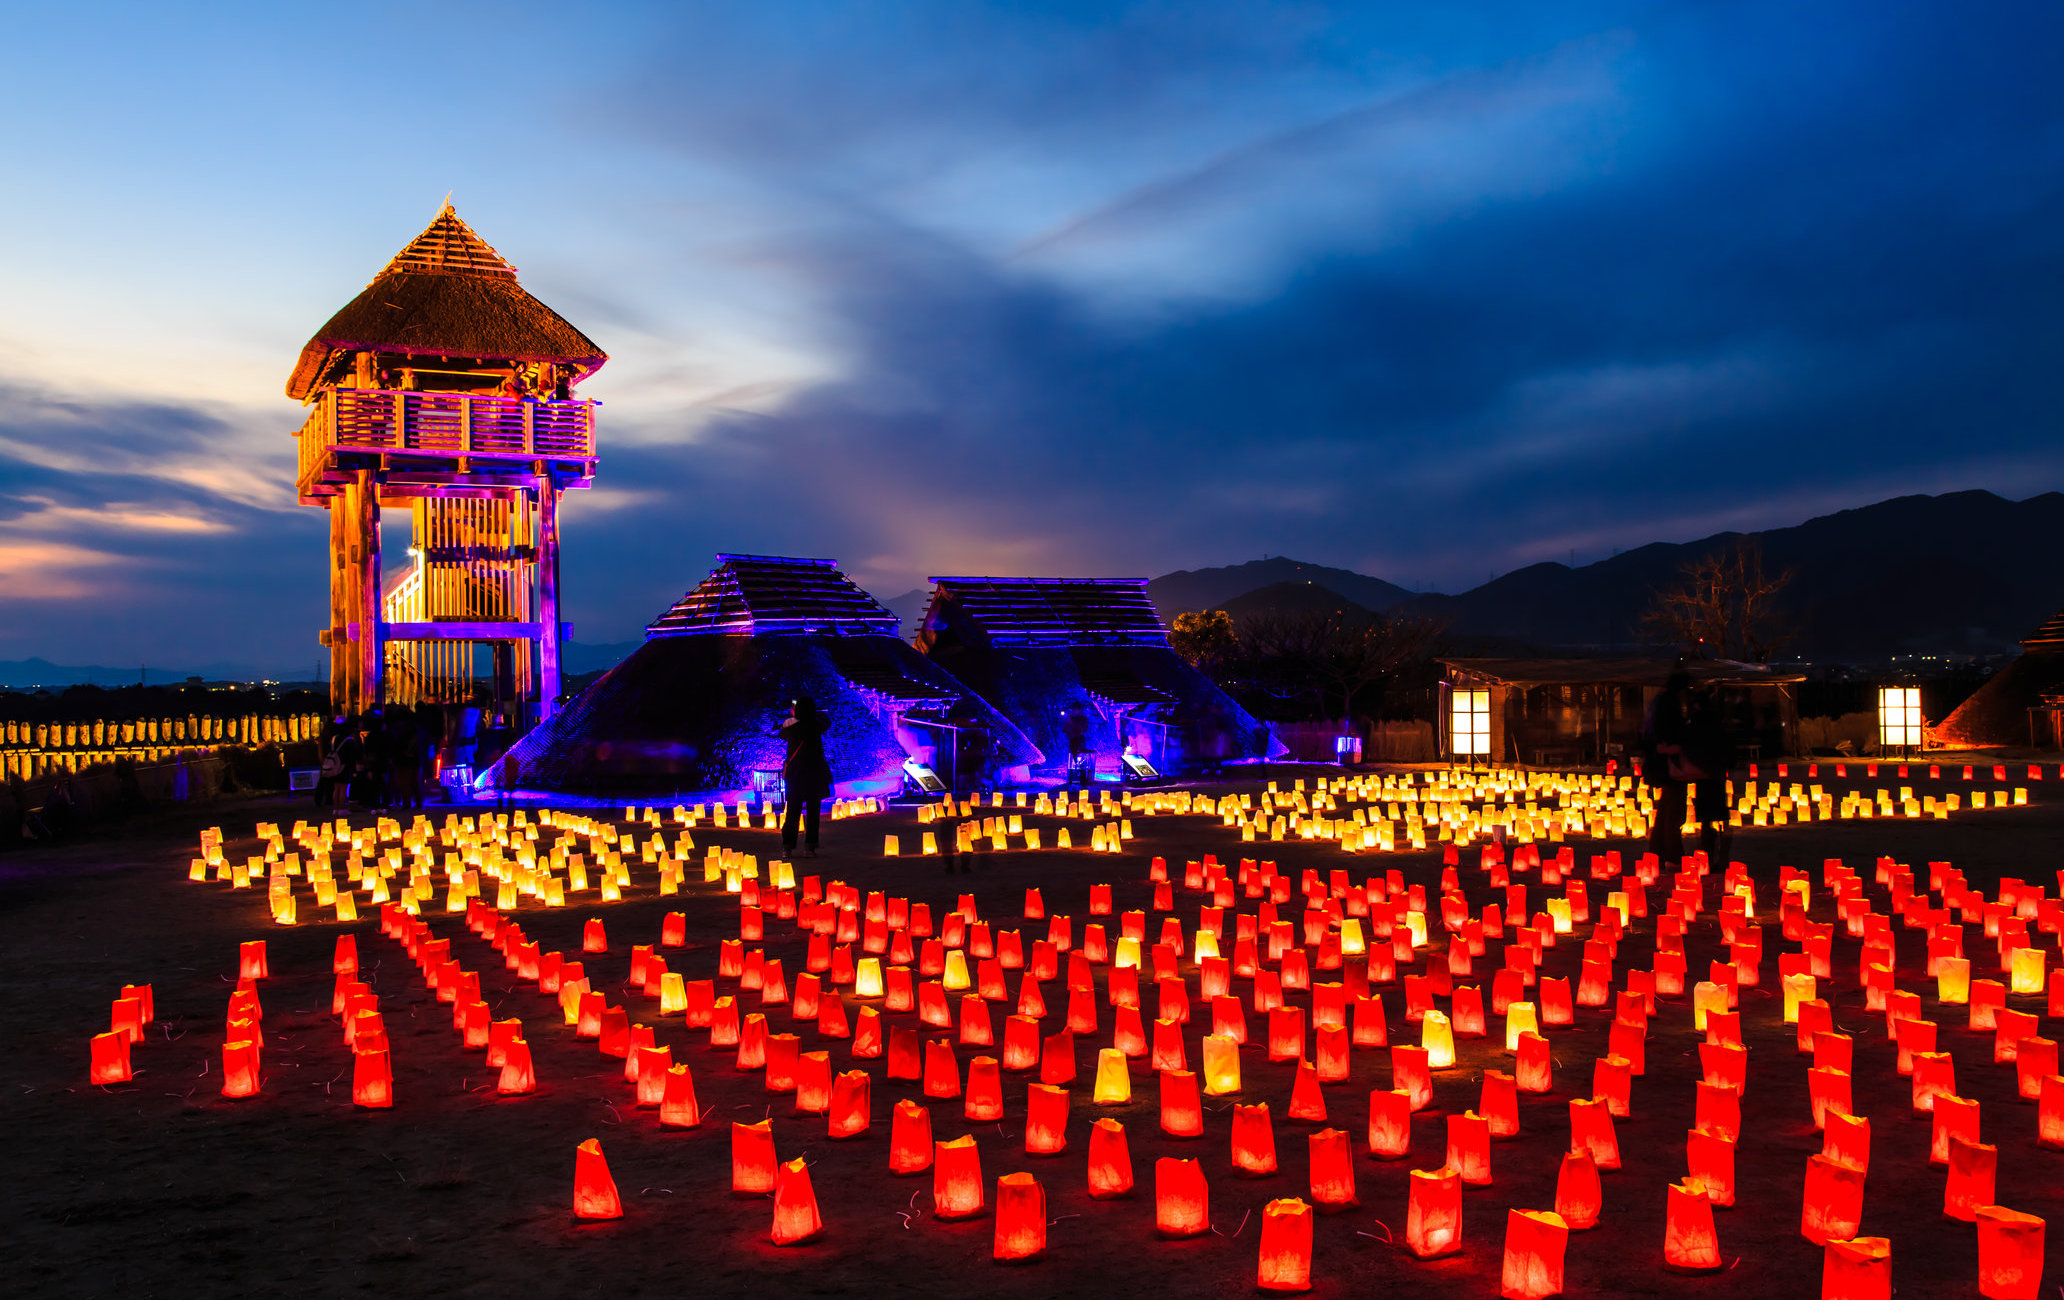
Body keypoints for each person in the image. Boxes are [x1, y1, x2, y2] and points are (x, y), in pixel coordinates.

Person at [778, 696, 833, 858]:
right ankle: (810, 847)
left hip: (795, 776)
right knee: (813, 812)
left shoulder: (790, 728)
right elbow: (826, 721)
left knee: (792, 812)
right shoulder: (815, 727)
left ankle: (787, 847)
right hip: (813, 775)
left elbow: (782, 731)